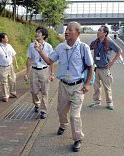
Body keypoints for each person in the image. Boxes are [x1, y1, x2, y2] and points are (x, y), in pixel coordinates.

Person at [34, 21, 94, 152]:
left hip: (78, 86)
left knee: (74, 115)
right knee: (61, 111)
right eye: (66, 29)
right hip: (63, 85)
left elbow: (90, 66)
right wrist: (40, 51)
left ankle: (78, 138)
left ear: (78, 33)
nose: (66, 31)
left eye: (70, 30)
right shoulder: (61, 47)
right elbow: (50, 61)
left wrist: (88, 84)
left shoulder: (83, 47)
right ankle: (63, 125)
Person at [89, 25, 122, 110]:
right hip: (96, 68)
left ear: (105, 33)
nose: (98, 32)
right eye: (98, 30)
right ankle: (96, 101)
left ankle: (109, 103)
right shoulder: (95, 42)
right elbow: (89, 49)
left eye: (100, 30)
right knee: (96, 87)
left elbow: (119, 51)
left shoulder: (109, 42)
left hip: (104, 68)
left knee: (107, 87)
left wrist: (112, 62)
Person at [24, 26, 54, 119]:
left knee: (45, 92)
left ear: (44, 35)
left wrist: (52, 74)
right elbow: (29, 59)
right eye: (36, 32)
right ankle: (37, 104)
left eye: (39, 32)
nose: (37, 34)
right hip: (34, 70)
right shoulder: (31, 46)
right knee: (33, 91)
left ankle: (43, 111)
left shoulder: (48, 47)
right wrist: (27, 72)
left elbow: (51, 60)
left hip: (44, 70)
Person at [0, 33, 18, 102]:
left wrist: (16, 63)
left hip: (10, 66)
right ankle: (6, 96)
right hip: (2, 67)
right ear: (2, 39)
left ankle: (13, 92)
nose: (7, 38)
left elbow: (13, 55)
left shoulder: (9, 46)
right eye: (6, 37)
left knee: (13, 79)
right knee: (4, 82)